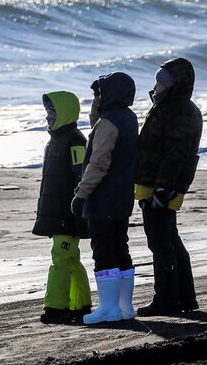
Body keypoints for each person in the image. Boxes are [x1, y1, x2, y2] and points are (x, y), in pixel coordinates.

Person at [134, 57, 203, 316]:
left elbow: (176, 154)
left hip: (162, 187)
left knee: (161, 244)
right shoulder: (169, 106)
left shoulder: (180, 110)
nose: (155, 88)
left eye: (160, 83)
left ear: (174, 85)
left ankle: (167, 299)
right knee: (170, 241)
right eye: (155, 82)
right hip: (158, 185)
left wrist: (163, 190)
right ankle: (185, 298)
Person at [70, 72, 138, 324]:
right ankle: (124, 307)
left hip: (103, 198)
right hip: (122, 196)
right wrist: (98, 99)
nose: (97, 96)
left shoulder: (109, 123)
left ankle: (108, 309)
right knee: (120, 246)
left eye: (100, 93)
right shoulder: (128, 118)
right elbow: (96, 126)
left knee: (103, 250)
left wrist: (81, 195)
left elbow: (98, 163)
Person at [33, 91, 92, 324]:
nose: (48, 116)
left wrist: (78, 209)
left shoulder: (75, 140)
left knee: (61, 257)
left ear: (65, 113)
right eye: (47, 112)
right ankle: (81, 305)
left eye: (53, 112)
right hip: (56, 211)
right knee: (70, 258)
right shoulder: (54, 141)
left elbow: (82, 177)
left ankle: (57, 308)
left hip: (69, 214)